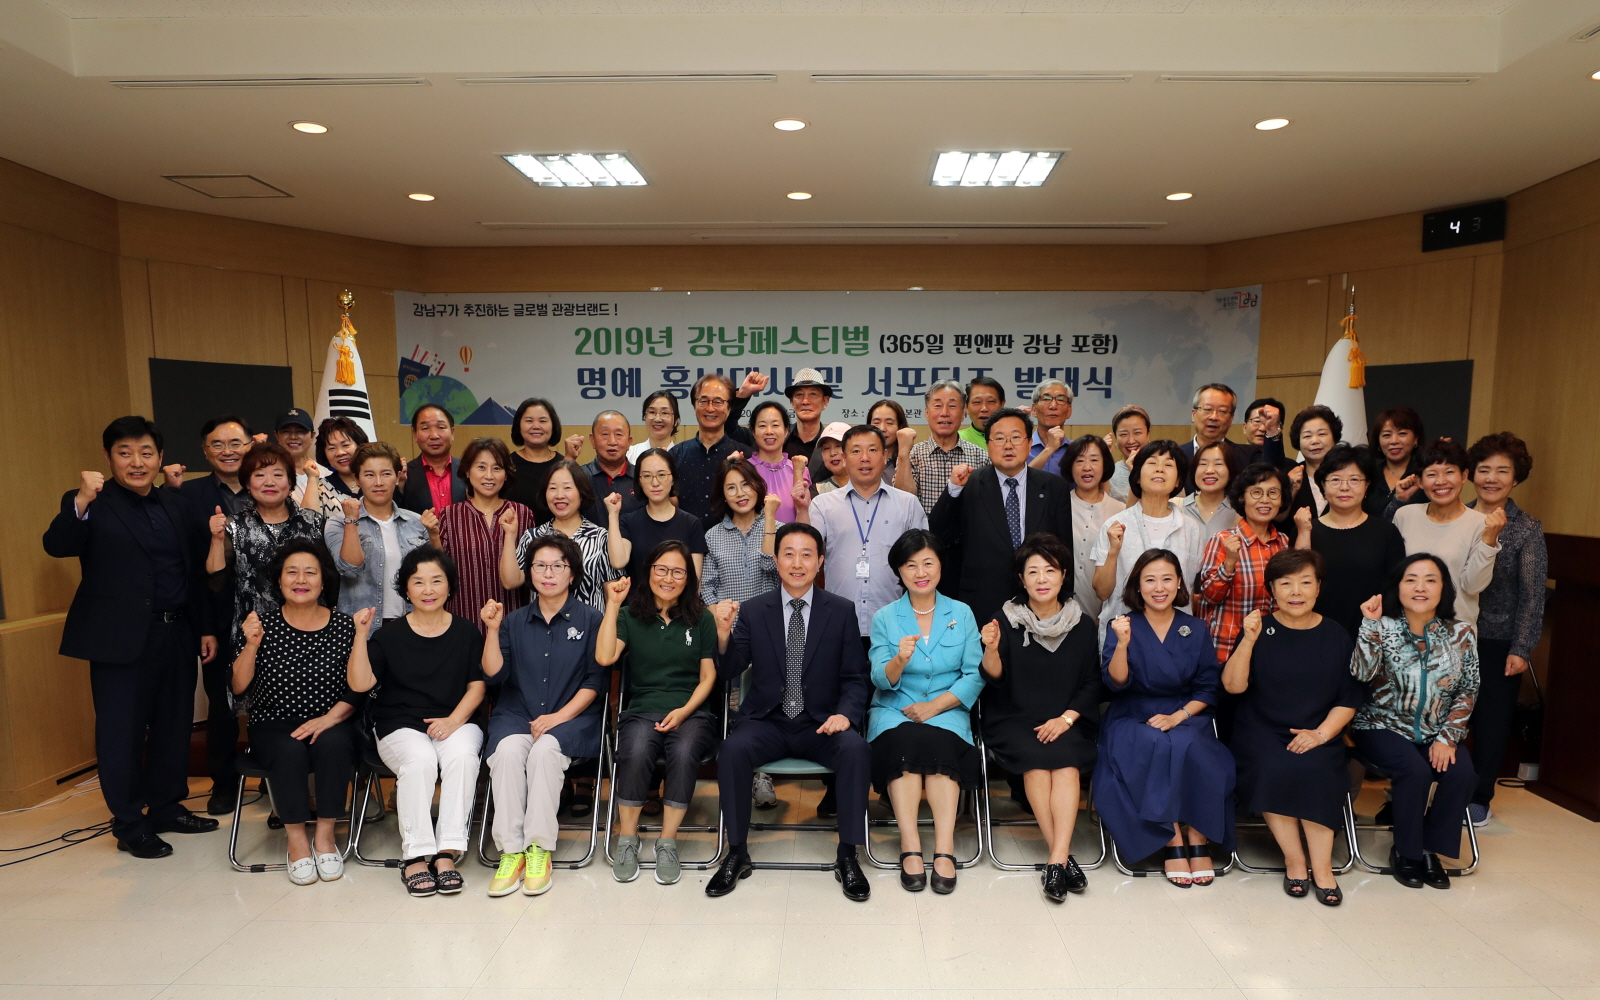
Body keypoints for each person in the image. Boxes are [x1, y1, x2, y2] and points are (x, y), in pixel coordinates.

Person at [44, 416, 220, 858]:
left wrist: (203, 627)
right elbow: (58, 544)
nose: (136, 462)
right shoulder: (90, 503)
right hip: (118, 639)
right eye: (125, 453)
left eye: (146, 453)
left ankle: (165, 806)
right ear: (108, 458)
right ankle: (128, 822)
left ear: (160, 458)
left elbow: (193, 572)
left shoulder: (175, 504)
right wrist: (82, 499)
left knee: (174, 725)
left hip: (176, 631)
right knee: (120, 733)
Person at [708, 523, 873, 901]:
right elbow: (732, 668)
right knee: (732, 751)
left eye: (806, 555)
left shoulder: (841, 611)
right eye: (788, 553)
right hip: (769, 721)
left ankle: (848, 854)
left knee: (856, 750)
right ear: (776, 560)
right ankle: (736, 853)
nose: (797, 563)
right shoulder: (754, 610)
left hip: (821, 723)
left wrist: (846, 715)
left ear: (820, 562)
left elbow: (855, 677)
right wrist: (721, 634)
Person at [1221, 550, 1362, 906]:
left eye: (1305, 582)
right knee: (1274, 766)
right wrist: (1249, 640)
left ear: (1318, 588)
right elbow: (1233, 687)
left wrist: (1321, 735)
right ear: (1272, 588)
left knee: (1318, 769)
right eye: (1285, 583)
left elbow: (1348, 698)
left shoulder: (1336, 635)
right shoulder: (1259, 628)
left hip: (1319, 730)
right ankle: (1295, 862)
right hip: (1261, 730)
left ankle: (1322, 867)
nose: (1295, 591)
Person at [346, 546, 486, 897]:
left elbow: (477, 686)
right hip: (399, 723)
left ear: (450, 587)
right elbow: (361, 684)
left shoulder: (467, 632)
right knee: (420, 760)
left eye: (436, 581)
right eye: (418, 582)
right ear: (405, 589)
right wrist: (360, 637)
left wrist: (454, 721)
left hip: (456, 719)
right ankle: (416, 855)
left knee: (463, 756)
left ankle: (448, 850)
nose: (428, 590)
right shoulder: (388, 636)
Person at [1097, 549, 1235, 886]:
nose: (1159, 587)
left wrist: (1178, 716)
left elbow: (1207, 688)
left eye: (1167, 579)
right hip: (1133, 714)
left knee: (1197, 749)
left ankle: (1198, 838)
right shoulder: (1124, 625)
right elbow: (1115, 682)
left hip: (1186, 713)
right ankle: (1172, 839)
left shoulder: (1196, 628)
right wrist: (1123, 644)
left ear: (1178, 584)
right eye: (1150, 580)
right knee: (1153, 745)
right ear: (1138, 586)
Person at [480, 533, 606, 897]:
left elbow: (595, 680)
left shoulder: (591, 619)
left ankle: (538, 850)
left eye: (557, 566)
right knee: (505, 753)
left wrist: (559, 717)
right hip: (517, 713)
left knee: (545, 751)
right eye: (540, 566)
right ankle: (511, 852)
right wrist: (491, 631)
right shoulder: (513, 621)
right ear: (530, 572)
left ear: (572, 574)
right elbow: (494, 675)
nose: (548, 573)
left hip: (572, 717)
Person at [978, 534, 1100, 902]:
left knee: (1064, 764)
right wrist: (991, 648)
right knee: (1035, 761)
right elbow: (993, 677)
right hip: (1014, 718)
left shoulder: (1081, 623)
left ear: (1063, 576)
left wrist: (1065, 719)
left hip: (1067, 719)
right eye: (1033, 571)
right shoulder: (1006, 619)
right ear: (1021, 578)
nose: (1042, 578)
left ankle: (1056, 860)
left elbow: (1093, 682)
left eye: (1050, 570)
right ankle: (1061, 859)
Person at [231, 538, 360, 885]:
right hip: (273, 722)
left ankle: (325, 835)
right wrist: (251, 646)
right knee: (288, 750)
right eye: (292, 572)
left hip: (330, 718)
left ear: (322, 581)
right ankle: (297, 839)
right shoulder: (262, 625)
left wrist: (329, 719)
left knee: (333, 745)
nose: (300, 579)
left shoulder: (344, 626)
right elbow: (239, 687)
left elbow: (358, 687)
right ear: (279, 580)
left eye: (310, 572)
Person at [1349, 555, 1479, 890]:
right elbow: (1360, 674)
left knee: (1462, 773)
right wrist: (1370, 625)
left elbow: (1468, 688)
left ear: (1443, 588)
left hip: (1438, 731)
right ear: (1398, 587)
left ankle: (1429, 849)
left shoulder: (1461, 632)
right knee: (1414, 770)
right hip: (1381, 726)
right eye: (1411, 579)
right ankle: (1406, 853)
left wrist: (1448, 738)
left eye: (1430, 579)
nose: (1420, 587)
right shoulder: (1384, 625)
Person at [595, 542, 720, 884]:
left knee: (683, 750)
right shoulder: (629, 616)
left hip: (691, 710)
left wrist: (684, 711)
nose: (669, 578)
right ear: (648, 571)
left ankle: (667, 841)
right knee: (634, 749)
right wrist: (612, 604)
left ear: (688, 579)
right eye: (661, 569)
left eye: (678, 572)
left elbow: (708, 677)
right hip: (642, 708)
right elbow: (606, 658)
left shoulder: (702, 618)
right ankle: (627, 839)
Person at [867, 530, 983, 894]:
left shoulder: (961, 613)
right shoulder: (885, 617)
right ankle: (911, 846)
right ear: (899, 572)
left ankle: (945, 848)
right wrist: (899, 660)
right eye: (910, 565)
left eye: (928, 563)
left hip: (946, 709)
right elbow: (879, 678)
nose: (920, 571)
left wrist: (935, 706)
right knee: (904, 746)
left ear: (940, 567)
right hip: (895, 708)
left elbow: (974, 673)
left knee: (941, 748)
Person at [1464, 432, 1547, 826]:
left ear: (1516, 478)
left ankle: (1480, 796)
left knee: (1491, 722)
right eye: (1484, 470)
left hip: (1499, 641)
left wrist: (1522, 646)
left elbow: (1533, 595)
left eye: (1502, 471)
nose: (1491, 478)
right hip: (1454, 635)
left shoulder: (1527, 528)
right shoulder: (1458, 516)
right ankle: (1438, 788)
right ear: (1471, 475)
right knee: (1445, 717)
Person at [173, 414, 255, 815]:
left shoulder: (269, 486)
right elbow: (189, 568)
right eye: (218, 445)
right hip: (219, 619)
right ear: (205, 451)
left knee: (272, 700)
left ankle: (278, 777)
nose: (228, 451)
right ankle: (224, 784)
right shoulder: (188, 496)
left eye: (236, 443)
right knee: (222, 705)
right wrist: (204, 626)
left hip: (270, 615)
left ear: (250, 446)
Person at [929, 406, 1072, 631]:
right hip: (981, 602)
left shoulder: (1054, 487)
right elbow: (938, 534)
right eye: (999, 438)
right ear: (987, 444)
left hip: (1041, 601)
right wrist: (953, 490)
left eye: (1016, 437)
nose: (1008, 445)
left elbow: (1065, 550)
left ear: (1028, 442)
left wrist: (1063, 598)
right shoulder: (970, 483)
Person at [796, 424, 930, 640]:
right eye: (856, 451)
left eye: (873, 450)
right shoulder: (823, 504)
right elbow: (806, 552)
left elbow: (924, 563)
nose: (865, 458)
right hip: (837, 624)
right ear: (845, 458)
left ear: (885, 456)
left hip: (895, 624)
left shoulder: (908, 504)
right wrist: (802, 510)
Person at [209, 441, 327, 657]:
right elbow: (217, 582)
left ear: (290, 481)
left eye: (278, 475)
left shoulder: (313, 523)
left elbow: (328, 578)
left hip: (309, 630)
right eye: (260, 475)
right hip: (254, 631)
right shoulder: (235, 525)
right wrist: (217, 540)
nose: (269, 482)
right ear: (247, 482)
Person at [1090, 440, 1204, 640]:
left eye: (1169, 465)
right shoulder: (1115, 525)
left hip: (1176, 635)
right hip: (1124, 635)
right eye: (1152, 463)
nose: (1160, 469)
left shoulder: (1191, 528)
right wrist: (1113, 552)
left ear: (1178, 481)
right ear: (1138, 477)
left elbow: (1189, 588)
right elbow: (1102, 592)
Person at [1292, 444, 1406, 637]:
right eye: (1335, 480)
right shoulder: (1306, 529)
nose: (1344, 487)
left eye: (1354, 479)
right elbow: (1297, 583)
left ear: (1367, 484)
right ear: (1323, 486)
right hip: (1315, 635)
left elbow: (1396, 590)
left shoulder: (1386, 532)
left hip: (1371, 636)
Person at [1390, 439, 1503, 628]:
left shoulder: (1481, 524)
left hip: (1455, 635)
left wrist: (1489, 541)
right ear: (1419, 481)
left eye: (1449, 472)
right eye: (1432, 474)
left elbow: (1473, 586)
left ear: (1464, 475)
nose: (1441, 481)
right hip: (1405, 632)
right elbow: (1393, 577)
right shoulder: (1405, 515)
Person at [427, 437, 538, 632]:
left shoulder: (522, 514)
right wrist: (433, 535)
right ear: (468, 471)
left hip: (514, 621)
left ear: (506, 474)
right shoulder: (450, 515)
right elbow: (442, 569)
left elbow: (531, 570)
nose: (489, 476)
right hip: (464, 620)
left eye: (497, 468)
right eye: (481, 467)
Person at [1192, 462, 1292, 664]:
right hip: (1227, 648)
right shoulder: (1222, 540)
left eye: (1273, 493)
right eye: (1256, 492)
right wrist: (1229, 563)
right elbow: (1209, 598)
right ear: (1241, 497)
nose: (1265, 500)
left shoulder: (1283, 542)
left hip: (1270, 650)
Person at [326, 442, 429, 632]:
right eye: (369, 475)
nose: (378, 482)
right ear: (357, 479)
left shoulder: (416, 522)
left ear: (398, 477)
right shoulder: (338, 522)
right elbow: (350, 569)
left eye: (386, 473)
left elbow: (434, 574)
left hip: (413, 624)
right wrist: (351, 521)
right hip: (362, 628)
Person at [509, 459, 614, 611]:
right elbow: (511, 582)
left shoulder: (601, 537)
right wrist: (509, 534)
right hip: (541, 629)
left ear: (581, 493)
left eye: (567, 488)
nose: (559, 495)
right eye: (552, 488)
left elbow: (611, 594)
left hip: (592, 630)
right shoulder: (532, 537)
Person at [668, 371, 764, 525]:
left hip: (732, 545)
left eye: (718, 402)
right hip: (686, 545)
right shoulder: (675, 456)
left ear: (729, 408)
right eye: (703, 401)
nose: (710, 408)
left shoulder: (746, 456)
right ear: (694, 406)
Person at [606, 448, 707, 586]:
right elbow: (618, 561)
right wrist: (613, 514)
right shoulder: (629, 521)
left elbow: (694, 581)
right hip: (638, 605)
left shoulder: (691, 523)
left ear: (672, 479)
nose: (655, 483)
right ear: (639, 482)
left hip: (679, 606)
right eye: (647, 476)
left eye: (661, 475)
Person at [701, 457, 782, 605]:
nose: (740, 493)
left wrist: (769, 517)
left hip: (767, 621)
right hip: (728, 623)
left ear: (756, 486)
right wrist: (720, 620)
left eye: (745, 484)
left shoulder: (779, 528)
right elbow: (706, 587)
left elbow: (769, 565)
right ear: (723, 495)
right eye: (731, 488)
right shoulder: (713, 536)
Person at [1062, 435, 1123, 619]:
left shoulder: (1120, 511)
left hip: (1105, 613)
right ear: (1070, 466)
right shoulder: (1058, 506)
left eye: (1094, 460)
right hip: (1060, 612)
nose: (1087, 467)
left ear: (1105, 465)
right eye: (1079, 460)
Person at [906, 380, 988, 515]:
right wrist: (904, 453)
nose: (944, 412)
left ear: (963, 414)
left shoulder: (981, 457)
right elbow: (903, 502)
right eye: (937, 405)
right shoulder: (913, 455)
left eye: (952, 406)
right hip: (924, 534)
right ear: (927, 413)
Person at [747, 400, 811, 522]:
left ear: (786, 430)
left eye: (775, 425)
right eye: (762, 426)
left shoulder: (800, 469)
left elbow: (805, 513)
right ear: (753, 433)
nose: (769, 431)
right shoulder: (745, 469)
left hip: (793, 540)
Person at [1179, 384, 1250, 493]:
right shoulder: (1177, 455)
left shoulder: (1244, 457)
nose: (1214, 417)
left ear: (1231, 419)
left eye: (1222, 411)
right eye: (1207, 409)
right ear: (1193, 415)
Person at [397, 404, 466, 514]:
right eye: (425, 428)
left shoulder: (468, 470)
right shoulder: (405, 475)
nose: (434, 435)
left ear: (452, 432)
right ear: (415, 434)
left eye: (441, 427)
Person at [503, 397, 564, 522]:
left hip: (556, 539)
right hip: (513, 538)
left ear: (553, 426)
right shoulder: (505, 465)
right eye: (529, 421)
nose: (536, 426)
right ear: (519, 426)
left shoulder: (564, 464)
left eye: (542, 421)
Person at [583, 410, 642, 520]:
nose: (612, 441)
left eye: (618, 434)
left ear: (629, 442)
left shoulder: (642, 478)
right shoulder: (579, 478)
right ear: (592, 440)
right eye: (605, 434)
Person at [1177, 441, 1242, 537]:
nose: (1209, 470)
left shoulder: (1239, 512)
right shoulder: (1177, 508)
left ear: (1230, 472)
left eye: (1218, 464)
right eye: (1203, 464)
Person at [1286, 405, 1341, 517]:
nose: (1315, 441)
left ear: (1334, 438)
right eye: (1307, 436)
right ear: (1298, 442)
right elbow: (1278, 519)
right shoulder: (1290, 474)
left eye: (1322, 434)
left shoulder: (1348, 474)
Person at [313, 416, 369, 524]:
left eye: (346, 445)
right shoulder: (320, 488)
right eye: (332, 448)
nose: (340, 453)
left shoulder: (376, 481)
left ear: (360, 445)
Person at [1372, 406, 1426, 512]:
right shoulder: (1369, 475)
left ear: (1416, 439)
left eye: (1402, 434)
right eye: (1387, 435)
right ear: (1378, 441)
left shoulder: (1424, 475)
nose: (1394, 441)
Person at [274, 408, 325, 514]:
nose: (293, 437)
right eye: (286, 432)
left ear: (312, 436)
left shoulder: (326, 474)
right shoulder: (268, 475)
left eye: (300, 432)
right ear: (277, 435)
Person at [868, 398, 917, 495]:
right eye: (876, 423)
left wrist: (903, 453)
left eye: (889, 423)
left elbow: (907, 498)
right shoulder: (862, 459)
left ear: (900, 427)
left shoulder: (914, 457)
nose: (882, 428)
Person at [783, 367, 832, 462]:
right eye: (799, 395)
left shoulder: (832, 441)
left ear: (825, 401)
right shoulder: (779, 437)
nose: (805, 401)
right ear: (792, 402)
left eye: (813, 394)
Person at [1026, 378, 1074, 475]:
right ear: (1034, 410)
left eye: (1060, 400)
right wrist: (1049, 449)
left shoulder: (1077, 450)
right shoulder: (1020, 448)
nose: (1053, 406)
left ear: (1069, 411)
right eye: (1046, 399)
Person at [1105, 405, 1151, 504]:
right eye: (1123, 434)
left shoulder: (1162, 469)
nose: (1131, 441)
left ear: (1148, 434)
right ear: (1115, 437)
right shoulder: (1109, 473)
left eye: (1137, 433)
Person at [628, 390, 682, 463]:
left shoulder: (681, 457)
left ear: (676, 421)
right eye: (652, 412)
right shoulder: (630, 454)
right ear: (644, 417)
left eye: (664, 413)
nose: (657, 419)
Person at [959, 375, 1005, 450]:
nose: (984, 408)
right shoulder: (957, 439)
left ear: (1002, 404)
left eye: (991, 401)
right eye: (977, 402)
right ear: (966, 407)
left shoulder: (1014, 439)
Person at [811, 422, 852, 495]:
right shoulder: (818, 490)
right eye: (826, 448)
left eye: (839, 446)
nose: (832, 453)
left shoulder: (872, 485)